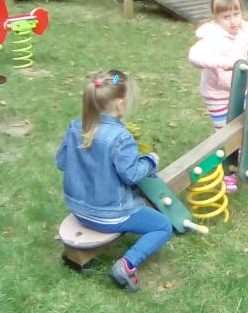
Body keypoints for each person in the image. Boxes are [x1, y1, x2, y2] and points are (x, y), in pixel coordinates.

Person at [55, 70, 172, 293]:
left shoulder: (75, 127)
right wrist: (150, 160)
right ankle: (127, 264)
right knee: (162, 226)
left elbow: (61, 162)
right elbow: (131, 175)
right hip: (110, 214)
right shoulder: (120, 137)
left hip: (78, 210)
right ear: (120, 104)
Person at [188, 0, 248, 193]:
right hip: (217, 95)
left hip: (240, 90)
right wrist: (221, 62)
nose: (233, 21)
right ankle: (227, 173)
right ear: (216, 18)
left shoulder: (245, 31)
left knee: (245, 129)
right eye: (226, 17)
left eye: (236, 14)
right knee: (226, 135)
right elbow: (195, 56)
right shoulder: (211, 36)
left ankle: (240, 167)